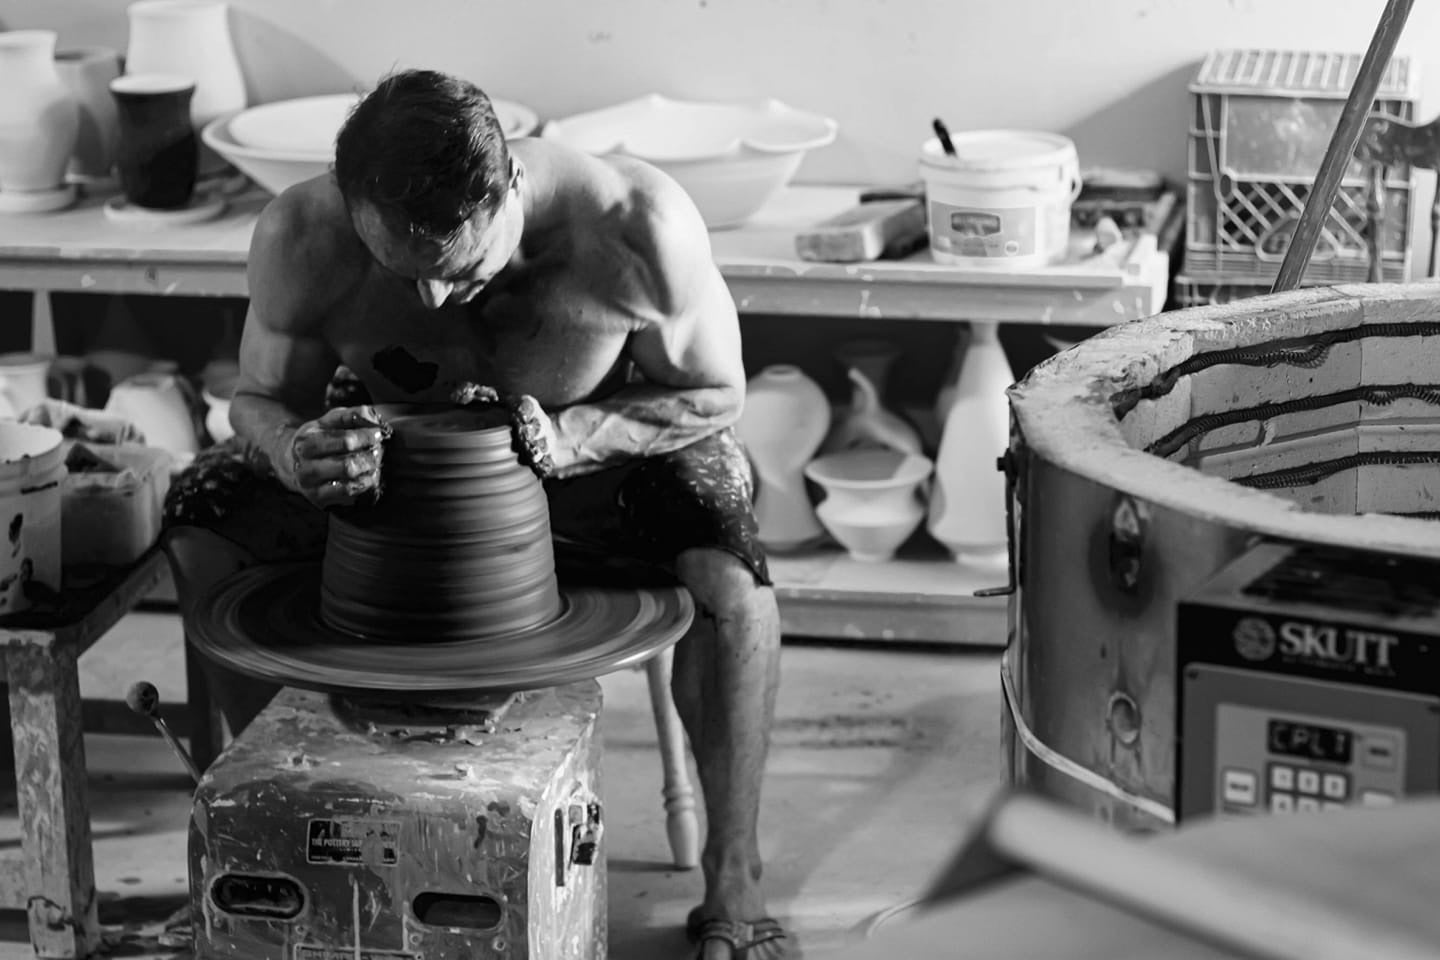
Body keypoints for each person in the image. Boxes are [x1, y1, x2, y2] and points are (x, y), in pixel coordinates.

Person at [162, 69, 789, 960]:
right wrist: (296, 451)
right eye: (400, 271)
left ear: (512, 193)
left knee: (731, 579)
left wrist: (581, 433)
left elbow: (717, 393)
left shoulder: (637, 225)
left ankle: (737, 876)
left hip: (592, 452)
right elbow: (258, 397)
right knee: (202, 523)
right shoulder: (303, 236)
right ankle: (296, 812)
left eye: (460, 270)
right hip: (391, 471)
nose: (430, 301)